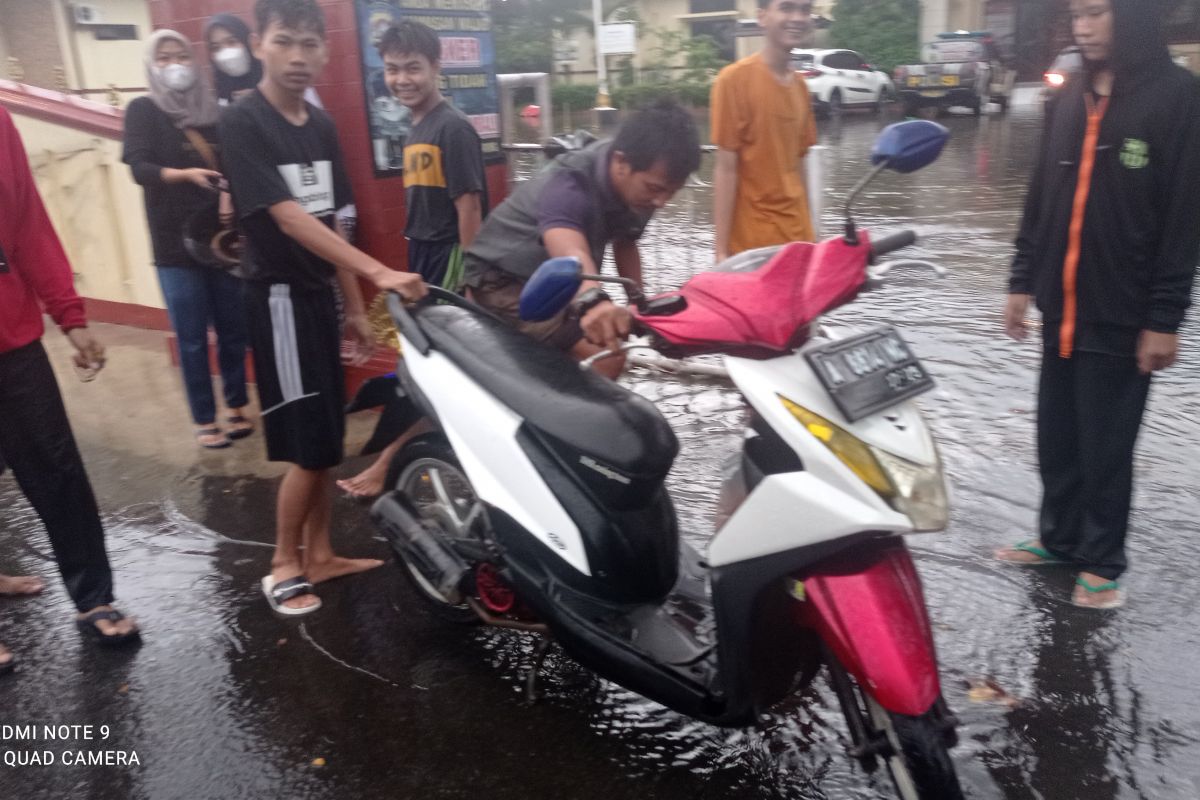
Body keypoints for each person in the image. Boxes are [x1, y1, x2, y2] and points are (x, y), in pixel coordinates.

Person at [219, 0, 426, 615]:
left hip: (318, 299)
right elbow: (285, 217)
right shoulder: (244, 122)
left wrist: (355, 305)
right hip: (278, 299)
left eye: (311, 43)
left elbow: (333, 218)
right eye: (285, 41)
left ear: (326, 51)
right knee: (308, 446)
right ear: (259, 44)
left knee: (327, 437)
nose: (299, 56)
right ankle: (283, 563)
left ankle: (322, 553)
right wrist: (378, 271)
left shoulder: (322, 125)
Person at [995, 0, 1200, 609]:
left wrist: (1164, 320)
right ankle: (1058, 539)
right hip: (1062, 302)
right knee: (1057, 434)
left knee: (1107, 442)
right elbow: (1040, 193)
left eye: (1096, 13)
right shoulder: (1071, 93)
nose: (1081, 26)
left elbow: (1184, 220)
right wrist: (1020, 280)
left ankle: (1103, 561)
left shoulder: (1177, 98)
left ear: (1132, 16)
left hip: (1124, 306)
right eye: (1076, 14)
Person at [1, 106, 140, 671]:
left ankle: (93, 598)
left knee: (57, 469)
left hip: (12, 340)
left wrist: (71, 316)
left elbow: (28, 225)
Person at [335, 19, 486, 499]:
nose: (403, 79)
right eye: (393, 69)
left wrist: (469, 283)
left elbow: (469, 211)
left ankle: (387, 463)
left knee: (428, 371)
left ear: (436, 67)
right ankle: (397, 454)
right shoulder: (416, 126)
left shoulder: (453, 129)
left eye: (413, 68)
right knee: (411, 361)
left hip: (447, 261)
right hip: (419, 256)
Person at [463, 99, 701, 378]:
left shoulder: (643, 192)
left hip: (555, 282)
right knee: (606, 357)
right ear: (621, 162)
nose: (661, 201)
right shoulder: (572, 180)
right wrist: (592, 300)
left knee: (611, 333)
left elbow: (627, 241)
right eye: (655, 189)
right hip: (502, 279)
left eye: (671, 193)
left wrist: (639, 305)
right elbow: (565, 242)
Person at [123, 29, 253, 449]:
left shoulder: (212, 111)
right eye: (164, 58)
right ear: (151, 65)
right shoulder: (143, 109)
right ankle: (204, 417)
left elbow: (234, 163)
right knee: (192, 335)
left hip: (219, 237)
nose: (174, 64)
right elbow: (139, 169)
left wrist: (231, 195)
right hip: (174, 243)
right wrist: (185, 175)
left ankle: (236, 404)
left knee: (233, 327)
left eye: (181, 55)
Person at [710, 0, 818, 263]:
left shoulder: (801, 88)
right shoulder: (733, 81)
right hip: (752, 247)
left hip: (799, 240)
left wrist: (813, 238)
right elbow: (726, 169)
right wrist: (721, 253)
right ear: (762, 17)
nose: (797, 17)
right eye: (786, 8)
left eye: (804, 10)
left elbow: (799, 165)